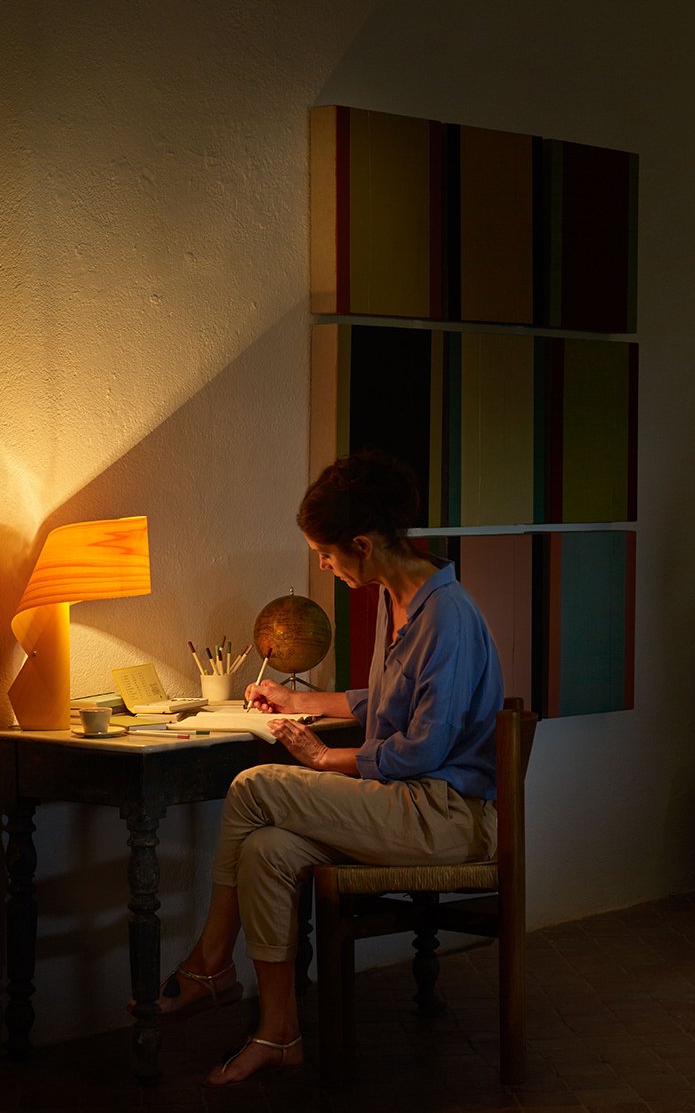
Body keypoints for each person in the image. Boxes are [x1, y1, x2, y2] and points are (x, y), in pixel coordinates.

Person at [144, 448, 503, 1087]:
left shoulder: (445, 616)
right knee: (268, 851)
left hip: (446, 816)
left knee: (254, 785)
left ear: (361, 544)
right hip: (407, 803)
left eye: (325, 552)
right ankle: (277, 1033)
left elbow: (422, 747)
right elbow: (385, 705)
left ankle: (209, 961)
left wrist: (324, 756)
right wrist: (299, 699)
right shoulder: (399, 601)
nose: (323, 564)